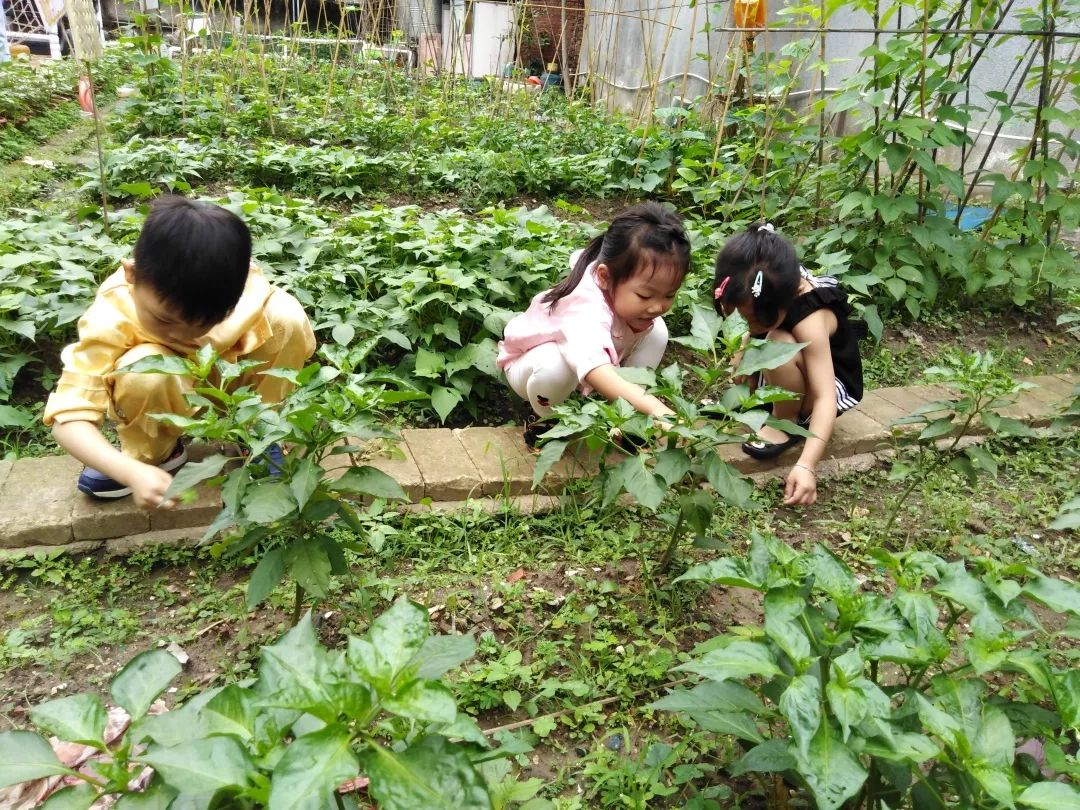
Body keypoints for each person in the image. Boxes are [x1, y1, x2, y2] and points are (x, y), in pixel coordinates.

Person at [44, 196, 316, 510]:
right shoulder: (112, 315)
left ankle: (261, 430)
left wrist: (220, 334)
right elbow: (68, 417)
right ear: (132, 275)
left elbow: (262, 299)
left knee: (287, 319)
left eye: (202, 322)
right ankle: (154, 455)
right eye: (164, 320)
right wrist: (128, 471)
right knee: (144, 371)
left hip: (231, 385)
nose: (180, 335)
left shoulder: (233, 283)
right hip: (166, 391)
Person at [497, 202, 691, 446]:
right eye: (645, 296)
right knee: (554, 366)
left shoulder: (623, 293)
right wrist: (659, 410)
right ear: (605, 277)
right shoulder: (583, 307)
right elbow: (596, 371)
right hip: (529, 367)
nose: (657, 306)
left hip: (588, 358)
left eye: (669, 295)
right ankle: (544, 419)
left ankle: (628, 419)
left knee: (658, 331)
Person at [713, 222, 865, 506]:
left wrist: (807, 465)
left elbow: (824, 398)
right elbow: (757, 326)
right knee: (764, 347)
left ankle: (785, 422)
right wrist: (744, 348)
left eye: (755, 320)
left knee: (777, 343)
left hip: (829, 386)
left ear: (790, 296)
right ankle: (774, 400)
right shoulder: (771, 283)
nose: (751, 325)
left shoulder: (810, 319)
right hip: (792, 369)